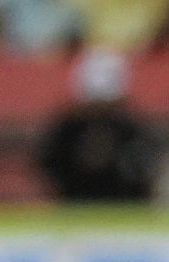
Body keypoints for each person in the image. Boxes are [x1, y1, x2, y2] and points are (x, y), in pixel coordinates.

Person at [37, 47, 158, 201]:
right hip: (75, 205)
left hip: (123, 207)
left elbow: (146, 167)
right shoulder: (67, 129)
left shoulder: (131, 129)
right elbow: (48, 163)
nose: (101, 112)